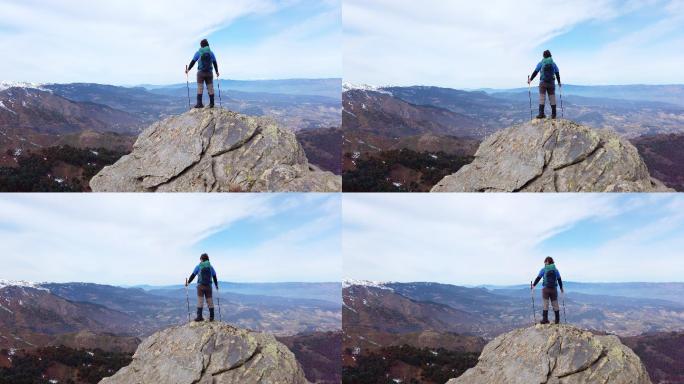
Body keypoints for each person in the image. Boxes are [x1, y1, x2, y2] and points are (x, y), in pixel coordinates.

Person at [185, 39, 219, 109]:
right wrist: (217, 71)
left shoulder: (198, 53)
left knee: (200, 88)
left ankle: (199, 104)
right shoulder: (211, 53)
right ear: (207, 45)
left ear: (201, 45)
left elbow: (193, 62)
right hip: (209, 73)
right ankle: (212, 104)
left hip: (200, 73)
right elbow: (215, 62)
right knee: (210, 88)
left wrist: (188, 69)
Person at [527, 50, 561, 119]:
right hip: (551, 83)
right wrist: (559, 82)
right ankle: (554, 115)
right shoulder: (553, 64)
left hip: (543, 83)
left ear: (543, 56)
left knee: (542, 98)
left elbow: (535, 72)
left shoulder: (541, 63)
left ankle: (541, 114)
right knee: (552, 98)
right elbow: (557, 73)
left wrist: (530, 79)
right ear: (550, 55)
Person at [185, 253, 219, 322]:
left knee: (200, 301)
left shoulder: (198, 266)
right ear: (207, 259)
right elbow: (214, 276)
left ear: (201, 259)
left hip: (200, 286)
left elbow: (193, 275)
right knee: (210, 301)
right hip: (209, 286)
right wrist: (216, 285)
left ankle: (199, 317)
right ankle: (212, 318)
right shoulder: (210, 267)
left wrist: (188, 282)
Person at [531, 256, 564, 324]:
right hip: (554, 289)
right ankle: (557, 320)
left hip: (545, 289)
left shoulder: (543, 269)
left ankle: (545, 320)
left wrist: (533, 285)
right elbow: (559, 279)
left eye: (545, 262)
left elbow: (538, 278)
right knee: (555, 304)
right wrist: (561, 288)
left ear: (546, 262)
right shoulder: (556, 270)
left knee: (545, 304)